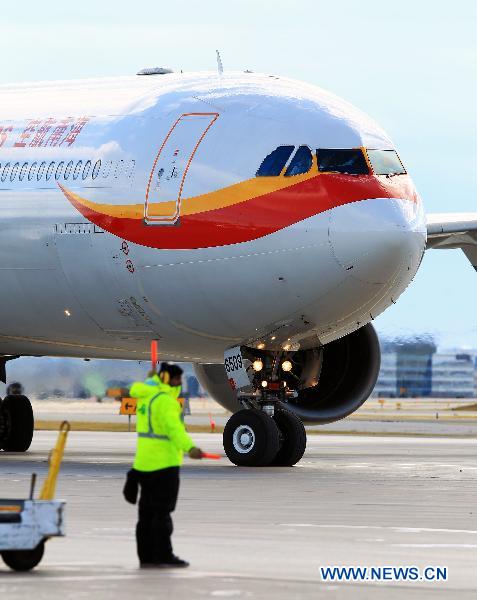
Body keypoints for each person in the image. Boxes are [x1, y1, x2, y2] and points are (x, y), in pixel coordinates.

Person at [124, 362, 203, 568]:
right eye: (177, 379)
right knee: (162, 514)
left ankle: (146, 557)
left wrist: (151, 380)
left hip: (143, 464)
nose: (179, 383)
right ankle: (164, 555)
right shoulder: (166, 402)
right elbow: (175, 431)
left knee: (145, 515)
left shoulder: (145, 396)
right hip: (164, 466)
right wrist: (190, 448)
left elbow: (148, 388)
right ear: (168, 379)